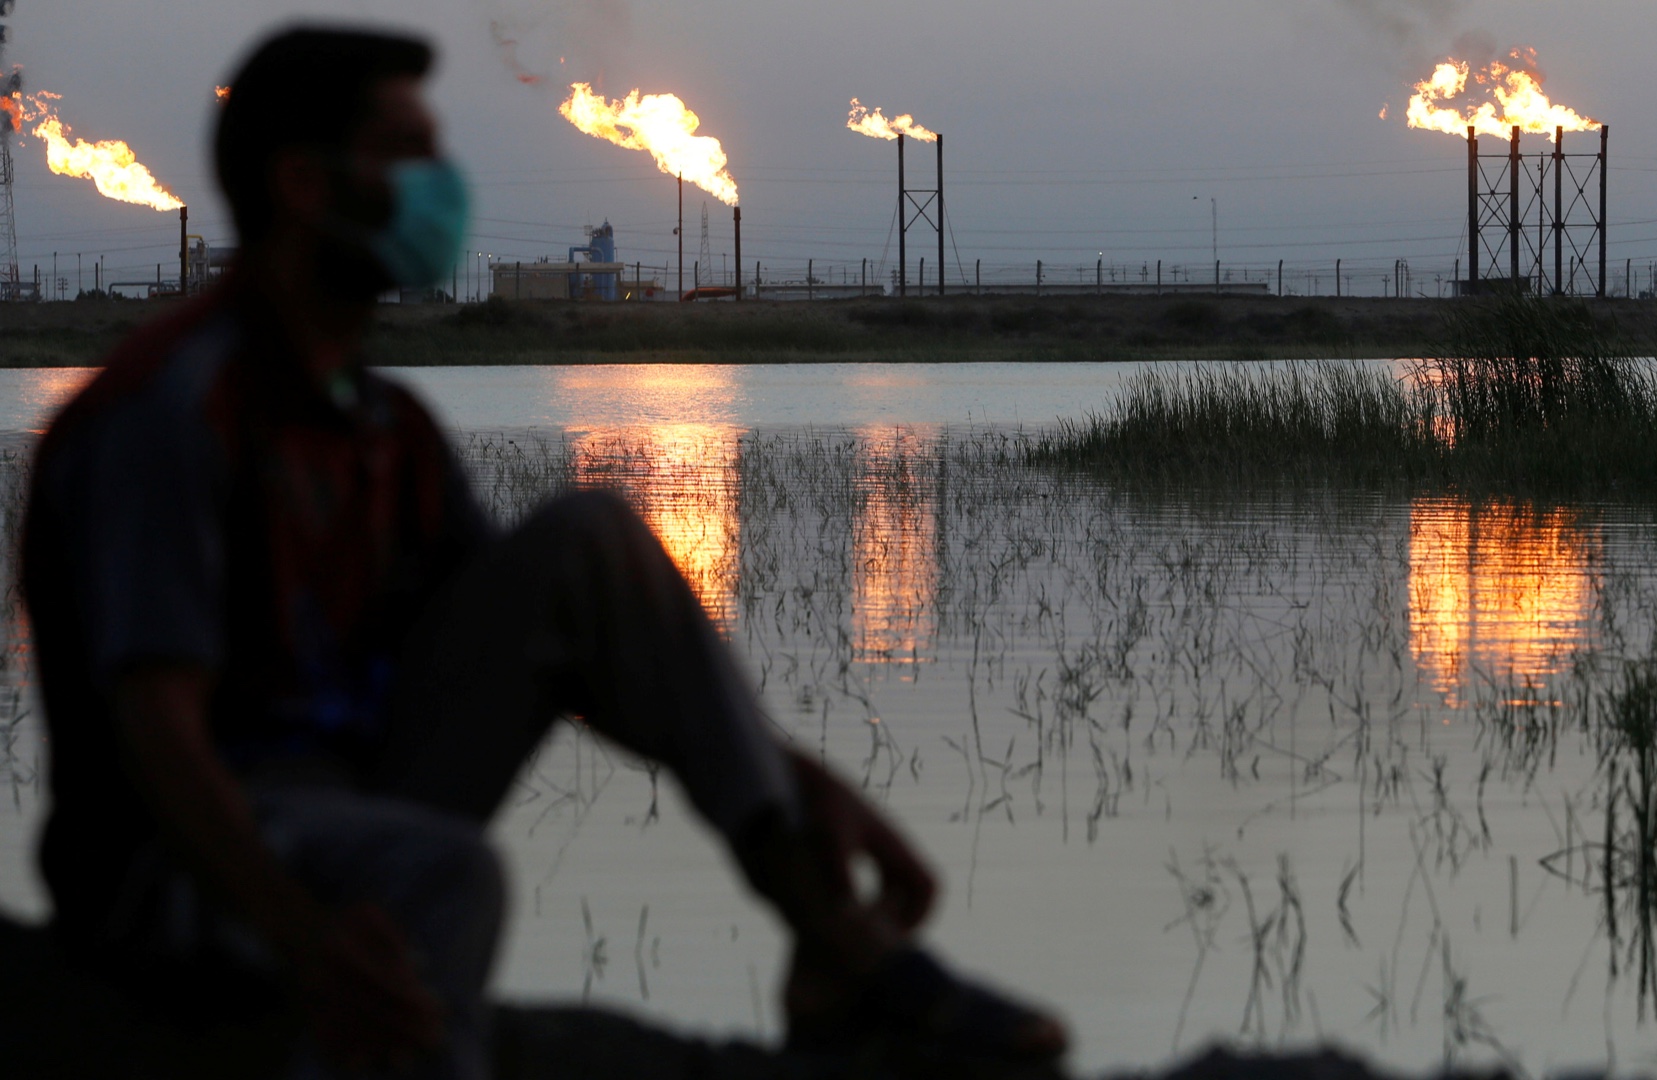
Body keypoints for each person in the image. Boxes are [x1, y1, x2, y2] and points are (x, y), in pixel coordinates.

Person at [21, 25, 1065, 1078]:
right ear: (302, 185)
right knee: (449, 874)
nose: (443, 189)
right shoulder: (171, 414)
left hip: (353, 797)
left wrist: (791, 779)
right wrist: (304, 937)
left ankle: (835, 938)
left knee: (589, 541)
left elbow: (561, 642)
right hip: (182, 867)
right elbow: (153, 731)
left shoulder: (387, 428)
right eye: (408, 157)